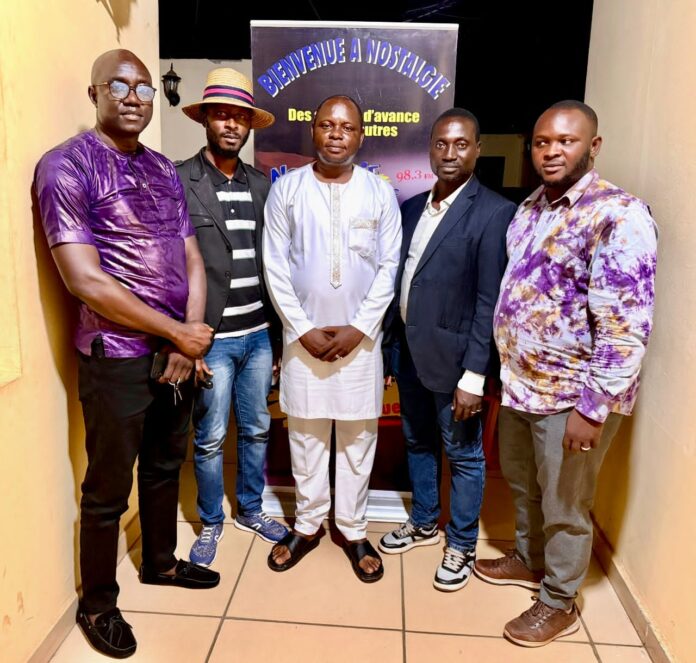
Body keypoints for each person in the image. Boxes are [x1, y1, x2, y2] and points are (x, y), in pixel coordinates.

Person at [34, 49, 220, 659]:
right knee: (108, 488)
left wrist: (185, 336)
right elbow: (85, 280)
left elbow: (191, 256)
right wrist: (175, 333)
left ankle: (161, 562)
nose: (135, 96)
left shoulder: (163, 168)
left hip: (174, 351)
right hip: (114, 355)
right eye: (118, 85)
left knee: (166, 464)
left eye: (143, 86)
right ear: (95, 94)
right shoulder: (66, 166)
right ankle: (97, 604)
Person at [475, 100, 657, 647]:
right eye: (542, 142)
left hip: (572, 397)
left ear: (592, 147)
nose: (551, 151)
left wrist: (592, 410)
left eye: (565, 141)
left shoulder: (619, 215)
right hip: (521, 386)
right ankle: (529, 557)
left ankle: (558, 601)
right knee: (522, 482)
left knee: (565, 502)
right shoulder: (532, 207)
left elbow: (626, 328)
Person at [262, 95, 402, 582]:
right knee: (305, 438)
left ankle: (353, 529)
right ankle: (306, 526)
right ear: (313, 131)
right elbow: (275, 265)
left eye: (346, 127)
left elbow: (389, 266)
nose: (336, 133)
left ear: (360, 136)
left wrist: (359, 328)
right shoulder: (288, 190)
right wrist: (302, 330)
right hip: (303, 343)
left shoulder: (379, 192)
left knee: (358, 441)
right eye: (327, 125)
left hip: (361, 344)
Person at [379, 109, 515, 591]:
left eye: (461, 144)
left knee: (463, 455)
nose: (450, 153)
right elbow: (402, 279)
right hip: (409, 353)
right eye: (441, 144)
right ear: (430, 149)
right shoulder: (413, 206)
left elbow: (488, 302)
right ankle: (423, 521)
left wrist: (474, 376)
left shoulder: (494, 212)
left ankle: (460, 543)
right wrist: (390, 348)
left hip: (457, 365)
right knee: (417, 441)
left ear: (477, 149)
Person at [176, 68, 288, 567]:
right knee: (209, 438)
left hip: (259, 335)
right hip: (213, 339)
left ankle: (250, 509)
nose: (230, 125)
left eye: (239, 117)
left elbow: (275, 265)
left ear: (248, 126)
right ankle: (211, 522)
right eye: (221, 115)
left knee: (258, 428)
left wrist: (278, 341)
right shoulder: (181, 180)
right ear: (205, 120)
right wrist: (187, 339)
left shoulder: (262, 185)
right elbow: (170, 267)